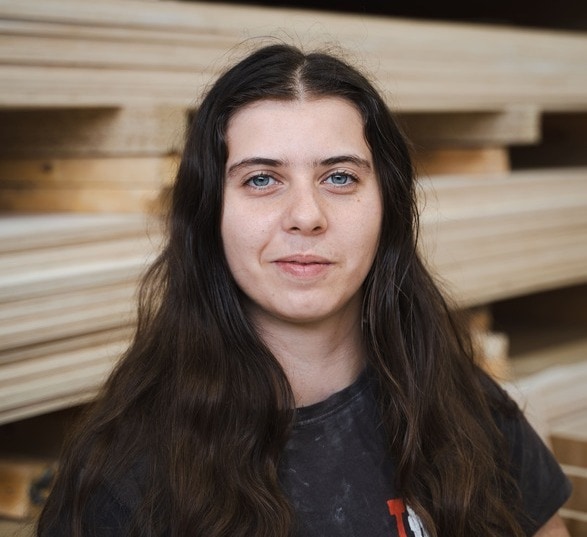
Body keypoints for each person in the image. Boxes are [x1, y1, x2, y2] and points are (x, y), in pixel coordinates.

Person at [37, 42, 572, 537]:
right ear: (210, 214)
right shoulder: (121, 479)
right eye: (261, 179)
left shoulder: (466, 409)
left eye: (339, 177)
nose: (305, 217)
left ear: (387, 207)